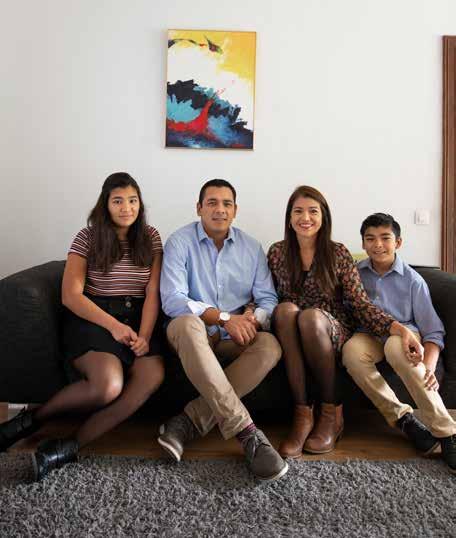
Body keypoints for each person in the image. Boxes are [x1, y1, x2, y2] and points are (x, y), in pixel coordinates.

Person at [0, 172, 165, 479]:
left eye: (133, 201)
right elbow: (71, 296)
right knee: (108, 386)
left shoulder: (151, 237)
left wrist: (144, 335)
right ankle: (31, 420)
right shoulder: (87, 237)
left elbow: (153, 292)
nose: (126, 208)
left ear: (140, 205)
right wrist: (113, 326)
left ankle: (67, 446)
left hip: (138, 320)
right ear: (105, 204)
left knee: (152, 376)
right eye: (118, 201)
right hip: (95, 317)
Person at [268, 186, 423, 458]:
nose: (306, 218)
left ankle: (331, 412)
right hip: (290, 329)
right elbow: (265, 296)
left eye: (313, 211)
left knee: (310, 317)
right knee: (284, 311)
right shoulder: (277, 252)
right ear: (289, 219)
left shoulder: (338, 253)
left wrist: (398, 328)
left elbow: (360, 303)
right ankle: (302, 415)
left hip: (330, 329)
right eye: (298, 211)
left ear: (323, 217)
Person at [158, 179, 287, 481]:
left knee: (269, 345)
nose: (220, 209)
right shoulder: (179, 242)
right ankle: (247, 432)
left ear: (235, 210)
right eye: (212, 203)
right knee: (189, 323)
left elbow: (268, 299)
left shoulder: (251, 248)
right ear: (199, 208)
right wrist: (224, 318)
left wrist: (253, 319)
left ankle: (187, 422)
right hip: (190, 334)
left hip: (233, 337)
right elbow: (173, 299)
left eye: (227, 204)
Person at [342, 212, 456, 472]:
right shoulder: (355, 274)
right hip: (368, 334)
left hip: (404, 336)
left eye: (385, 238)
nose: (378, 244)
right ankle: (403, 419)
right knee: (351, 351)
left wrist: (429, 366)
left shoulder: (413, 280)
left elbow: (433, 331)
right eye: (370, 238)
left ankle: (447, 432)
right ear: (363, 244)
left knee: (396, 347)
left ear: (398, 242)